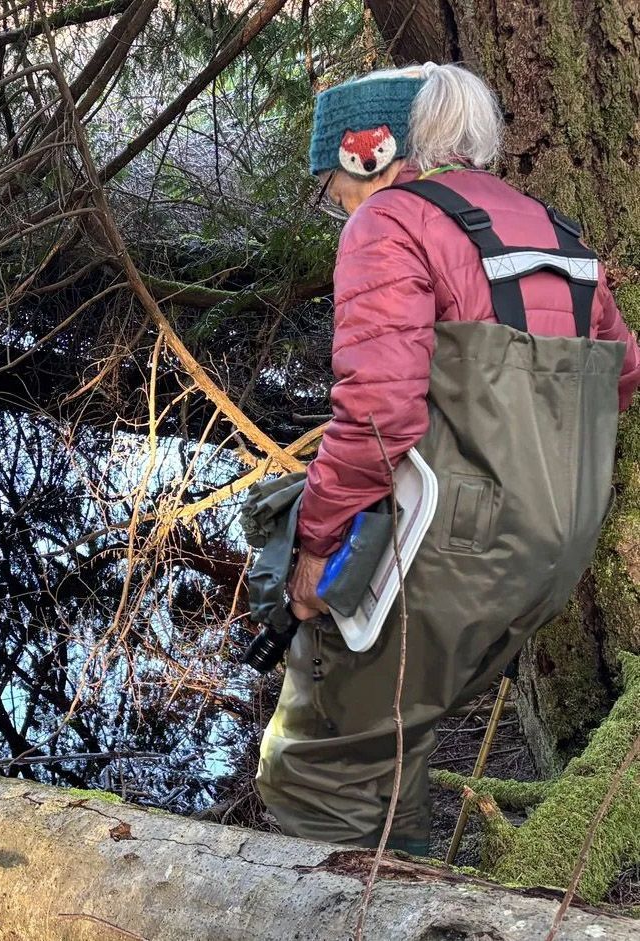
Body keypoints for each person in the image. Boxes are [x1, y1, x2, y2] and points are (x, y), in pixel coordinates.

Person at [254, 61, 640, 854]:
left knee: (321, 763)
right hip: (547, 553)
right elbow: (619, 377)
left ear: (367, 152)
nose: (338, 206)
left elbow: (374, 415)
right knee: (395, 732)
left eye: (333, 185)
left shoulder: (391, 222)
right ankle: (404, 894)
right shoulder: (552, 231)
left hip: (446, 550)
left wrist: (314, 552)